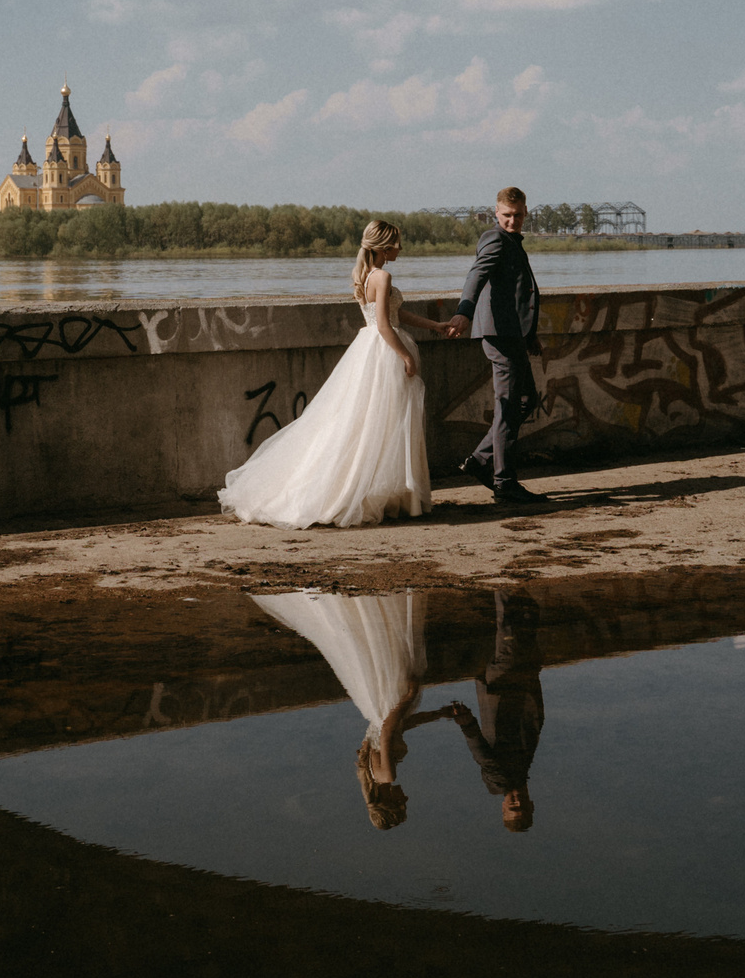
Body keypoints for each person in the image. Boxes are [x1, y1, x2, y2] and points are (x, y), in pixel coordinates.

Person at [219, 219, 437, 529]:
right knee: (382, 424)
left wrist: (436, 326)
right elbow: (386, 325)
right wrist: (404, 356)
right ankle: (368, 495)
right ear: (384, 247)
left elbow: (394, 314)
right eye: (397, 243)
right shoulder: (383, 275)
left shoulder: (365, 276)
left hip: (368, 349)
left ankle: (378, 494)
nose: (400, 249)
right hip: (383, 351)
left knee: (363, 424)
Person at [251, 589, 461, 830]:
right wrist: (439, 714)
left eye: (402, 804)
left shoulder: (387, 776)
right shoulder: (370, 772)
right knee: (374, 648)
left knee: (392, 645)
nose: (406, 799)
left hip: (389, 705)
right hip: (380, 706)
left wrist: (408, 698)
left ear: (389, 802)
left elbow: (388, 732)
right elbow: (402, 727)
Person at [435, 186, 548, 504]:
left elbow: (516, 293)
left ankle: (481, 461)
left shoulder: (512, 241)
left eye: (518, 215)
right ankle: (504, 482)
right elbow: (476, 276)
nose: (513, 221)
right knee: (511, 406)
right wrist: (463, 313)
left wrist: (529, 335)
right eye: (507, 215)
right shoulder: (495, 238)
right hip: (498, 337)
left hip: (513, 335)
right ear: (496, 214)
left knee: (526, 400)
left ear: (526, 212)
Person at [446, 588, 544, 832]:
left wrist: (467, 725)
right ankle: (519, 585)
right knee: (524, 630)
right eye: (523, 806)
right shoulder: (521, 773)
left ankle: (504, 583)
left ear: (503, 807)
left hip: (506, 685)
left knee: (509, 631)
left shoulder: (499, 782)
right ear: (532, 805)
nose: (517, 801)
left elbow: (483, 755)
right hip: (520, 683)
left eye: (513, 807)